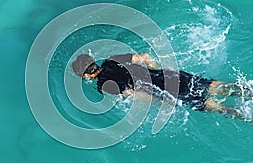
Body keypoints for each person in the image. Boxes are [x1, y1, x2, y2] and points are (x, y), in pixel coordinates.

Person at [72, 53, 251, 120]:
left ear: (86, 75)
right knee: (212, 85)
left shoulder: (103, 85)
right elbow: (144, 57)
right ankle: (248, 91)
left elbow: (135, 94)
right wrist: (156, 70)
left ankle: (247, 117)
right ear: (94, 61)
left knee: (209, 105)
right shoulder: (112, 60)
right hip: (169, 75)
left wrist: (160, 102)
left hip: (166, 91)